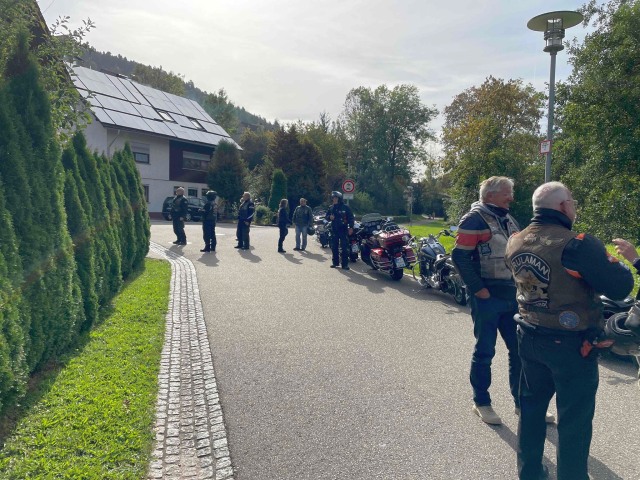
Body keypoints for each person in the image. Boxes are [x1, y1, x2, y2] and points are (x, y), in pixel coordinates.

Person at [504, 181, 633, 480]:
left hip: (529, 335)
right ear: (563, 206)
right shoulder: (577, 244)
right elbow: (620, 286)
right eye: (572, 201)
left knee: (531, 409)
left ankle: (530, 473)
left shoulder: (514, 240)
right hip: (572, 346)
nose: (574, 207)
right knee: (574, 421)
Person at [452, 176, 530, 426]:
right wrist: (478, 290)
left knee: (519, 351)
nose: (511, 198)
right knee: (485, 351)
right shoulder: (473, 219)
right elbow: (459, 257)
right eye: (507, 193)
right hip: (487, 297)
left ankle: (521, 404)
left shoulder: (508, 218)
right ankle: (481, 402)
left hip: (512, 295)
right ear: (490, 195)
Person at [325, 191, 354, 270]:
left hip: (343, 229)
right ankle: (335, 263)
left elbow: (351, 217)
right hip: (334, 229)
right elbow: (326, 217)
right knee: (334, 247)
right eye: (333, 198)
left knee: (344, 247)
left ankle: (345, 264)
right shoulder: (331, 207)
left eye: (335, 198)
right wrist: (329, 217)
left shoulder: (345, 207)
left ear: (339, 198)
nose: (334, 199)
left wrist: (351, 227)